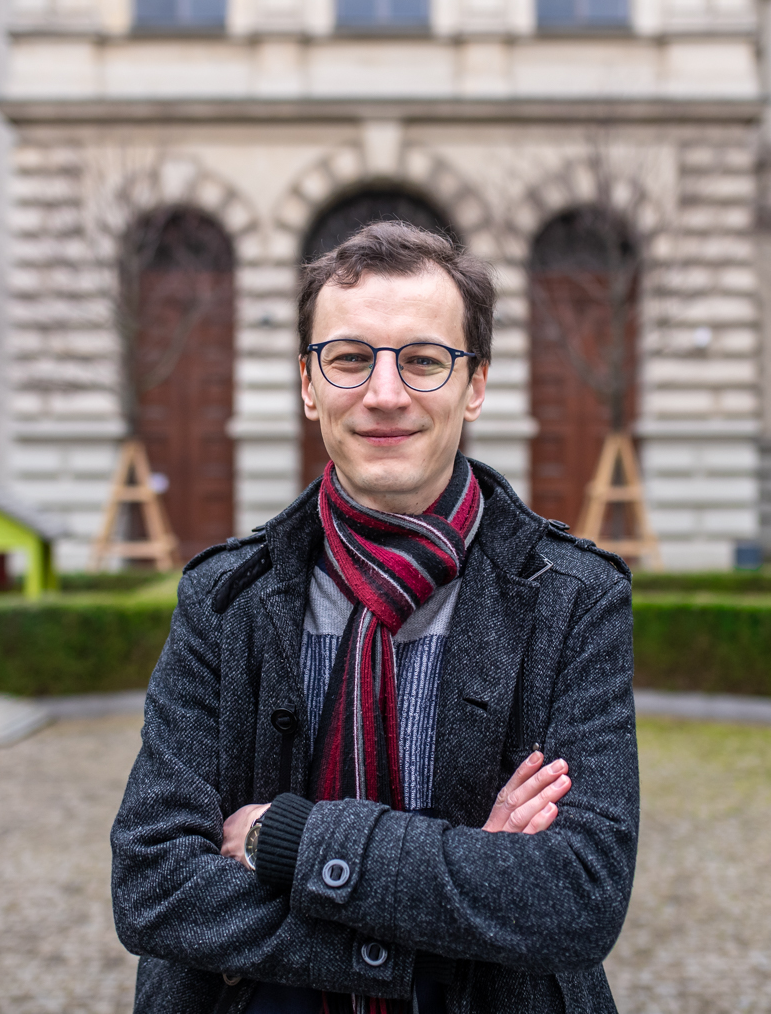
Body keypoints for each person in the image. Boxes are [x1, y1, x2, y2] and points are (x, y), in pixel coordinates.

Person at [111, 221, 638, 1014]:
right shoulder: (223, 599)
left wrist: (288, 839)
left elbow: (576, 895)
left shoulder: (573, 598)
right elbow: (153, 884)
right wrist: (453, 895)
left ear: (476, 384)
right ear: (308, 383)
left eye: (423, 360)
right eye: (350, 358)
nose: (385, 394)